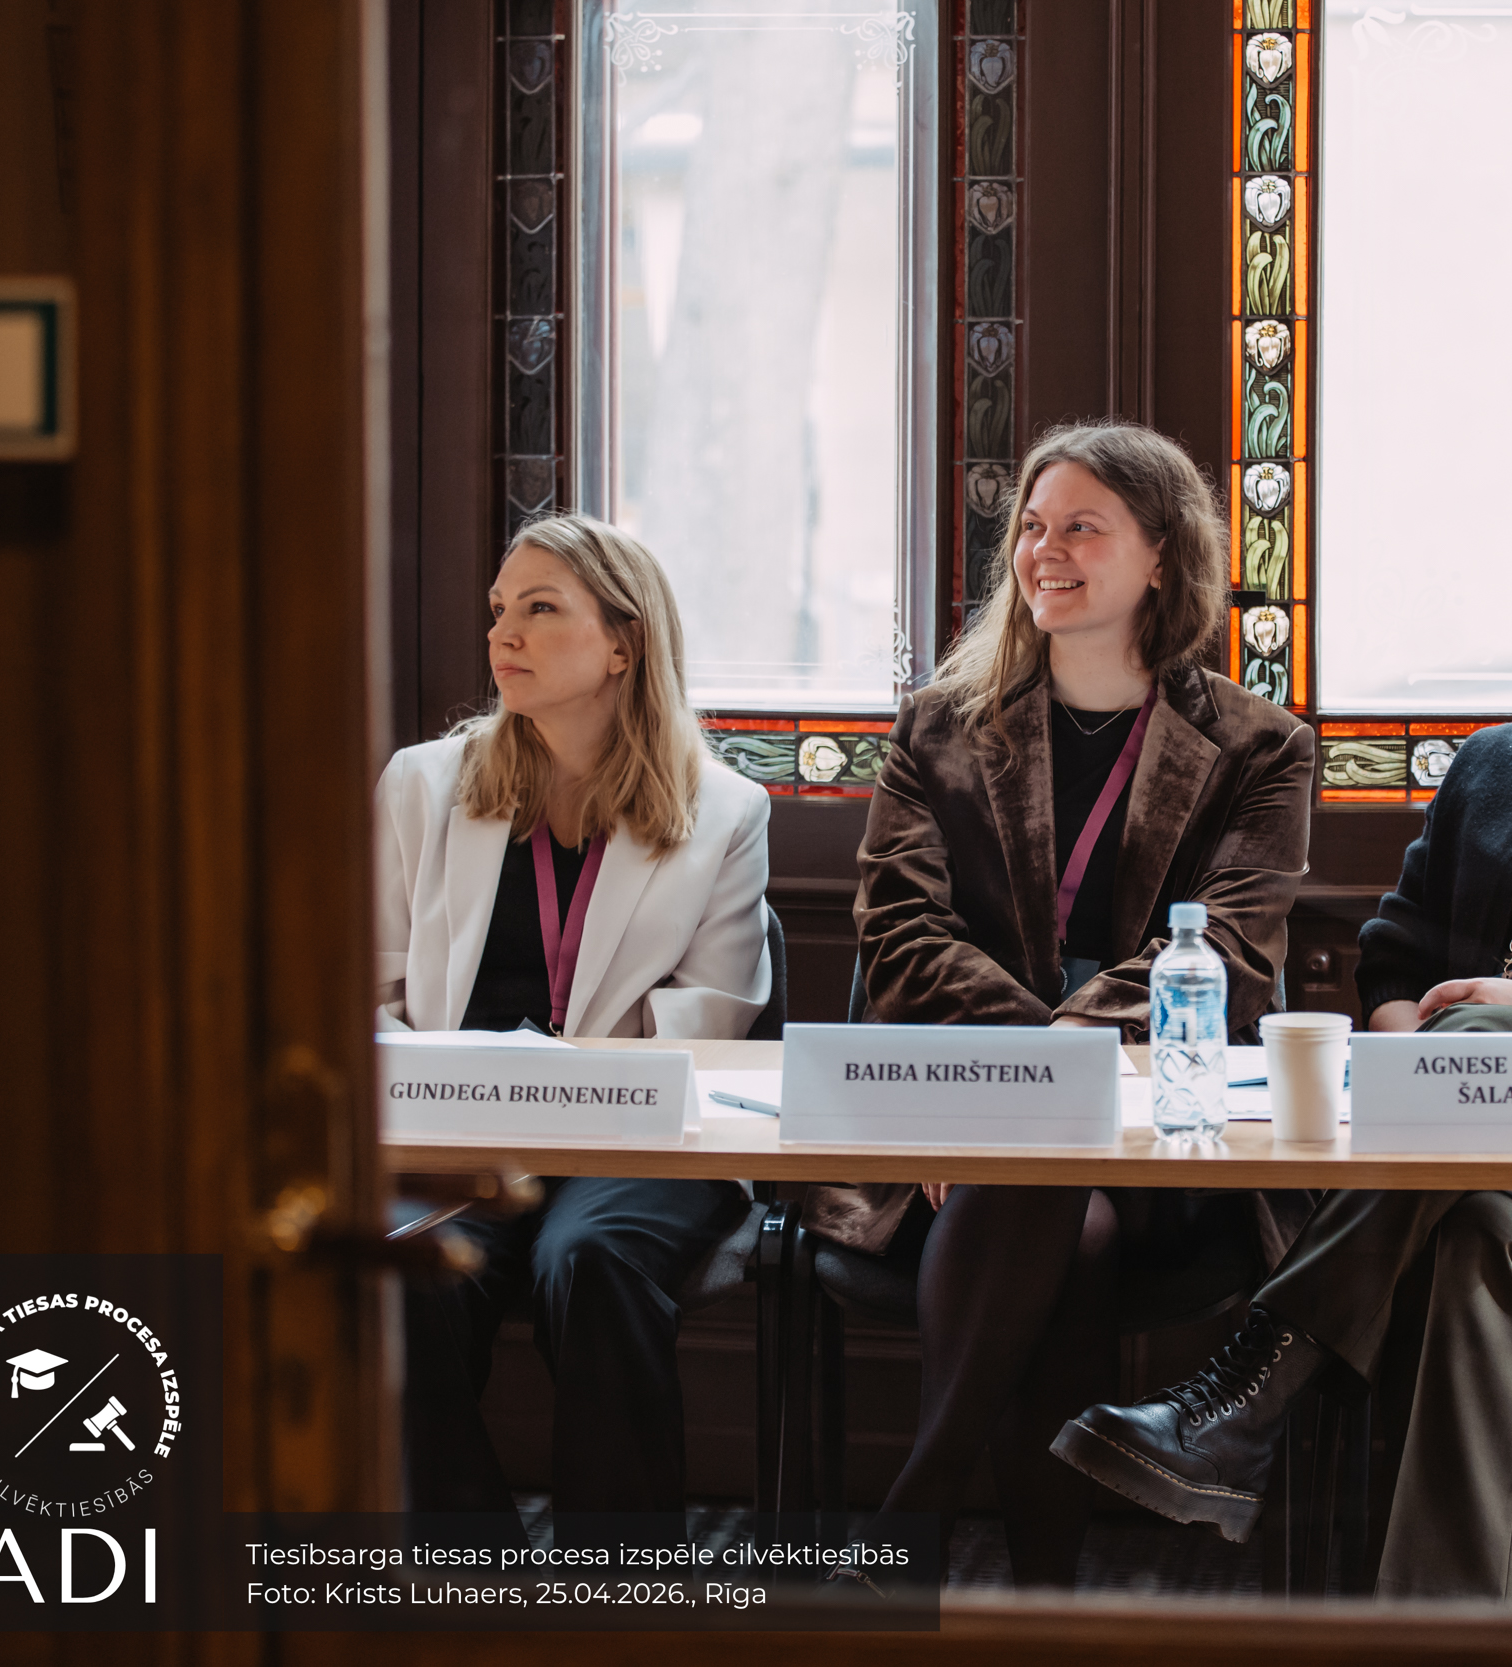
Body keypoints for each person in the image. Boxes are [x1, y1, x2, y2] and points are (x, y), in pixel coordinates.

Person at [1054, 467, 1512, 1606]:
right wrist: (1412, 1044)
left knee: (1486, 1068)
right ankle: (1464, 1629)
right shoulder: (1496, 766)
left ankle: (1240, 1395)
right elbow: (1392, 955)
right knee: (1481, 1242)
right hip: (1484, 1173)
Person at [809, 419, 1316, 1586]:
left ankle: (909, 1530)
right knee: (1059, 1216)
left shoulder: (1257, 746)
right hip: (955, 1119)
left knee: (1053, 1182)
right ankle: (1040, 1584)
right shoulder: (938, 728)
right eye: (1032, 527)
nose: (1045, 549)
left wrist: (1038, 1078)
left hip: (1161, 1127)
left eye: (1082, 525)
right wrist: (1018, 1088)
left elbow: (1232, 947)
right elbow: (898, 929)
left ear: (1160, 554)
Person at [377, 513, 772, 1519]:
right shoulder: (422, 786)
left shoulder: (724, 810)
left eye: (540, 608)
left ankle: (619, 1585)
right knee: (400, 1264)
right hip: (458, 1130)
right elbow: (373, 994)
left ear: (621, 644)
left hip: (636, 1136)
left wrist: (557, 1081)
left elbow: (711, 1021)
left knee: (589, 1257)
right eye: (500, 610)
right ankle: (474, 1581)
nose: (502, 632)